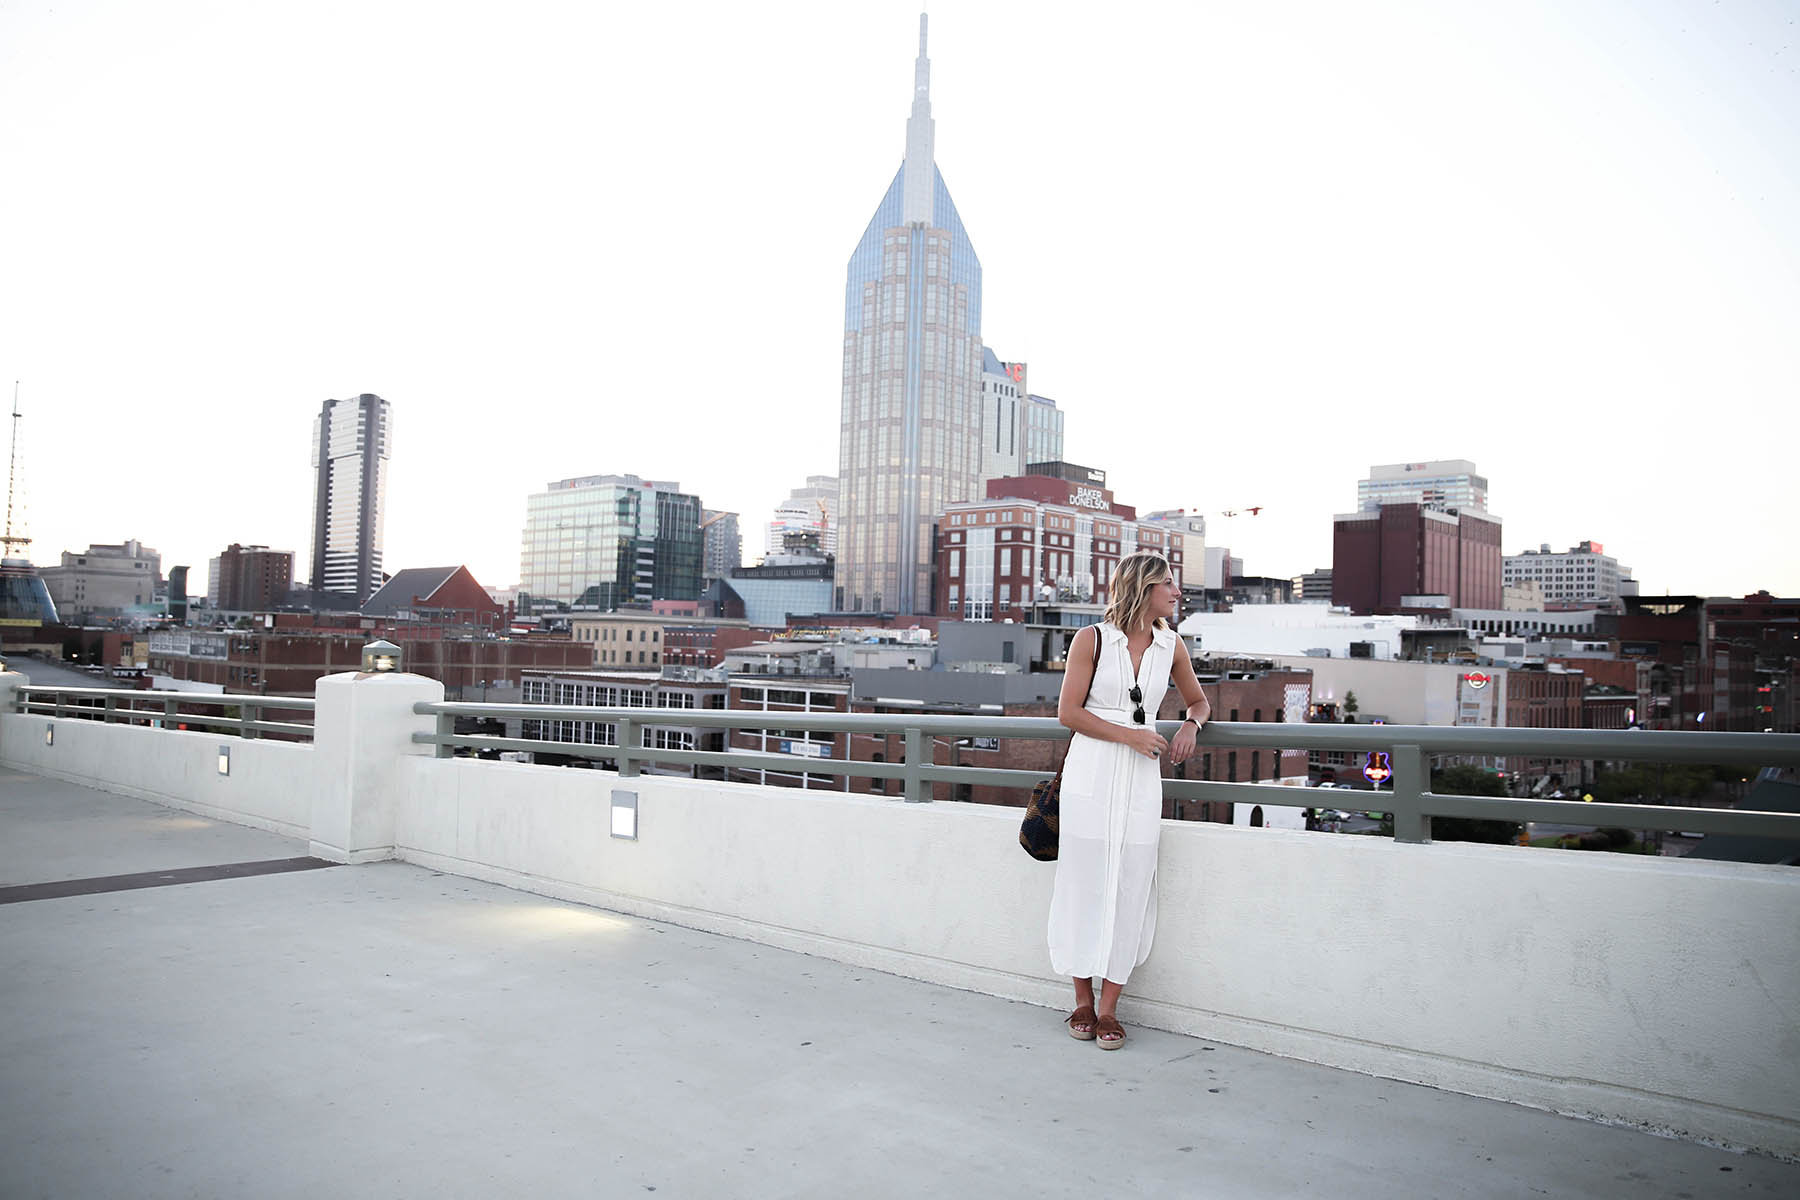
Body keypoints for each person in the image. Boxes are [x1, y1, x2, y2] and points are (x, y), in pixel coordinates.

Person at [1047, 551, 1211, 1050]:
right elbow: (1068, 713)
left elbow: (1199, 700)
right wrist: (1130, 736)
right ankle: (1081, 999)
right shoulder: (1091, 640)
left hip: (1142, 779)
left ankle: (1111, 1007)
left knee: (1132, 880)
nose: (1177, 593)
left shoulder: (1172, 644)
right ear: (1142, 587)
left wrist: (1190, 724)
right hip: (1092, 770)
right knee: (1084, 878)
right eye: (1167, 585)